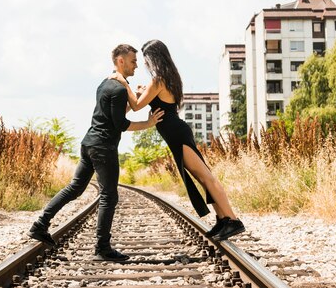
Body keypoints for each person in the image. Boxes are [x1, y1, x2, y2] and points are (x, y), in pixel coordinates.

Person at [28, 44, 164, 261]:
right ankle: (102, 248)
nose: (136, 65)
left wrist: (131, 99)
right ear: (120, 61)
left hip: (89, 143)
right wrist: (148, 123)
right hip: (103, 147)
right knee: (109, 196)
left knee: (75, 188)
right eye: (133, 61)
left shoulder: (105, 84)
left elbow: (112, 115)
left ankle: (40, 224)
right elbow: (120, 124)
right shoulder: (119, 89)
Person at [110, 39, 245, 241]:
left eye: (146, 59)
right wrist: (140, 92)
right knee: (202, 178)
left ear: (153, 59)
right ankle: (223, 219)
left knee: (206, 177)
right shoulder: (167, 77)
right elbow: (148, 99)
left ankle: (233, 220)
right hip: (176, 133)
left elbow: (137, 106)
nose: (144, 64)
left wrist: (123, 83)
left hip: (177, 134)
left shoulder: (158, 80)